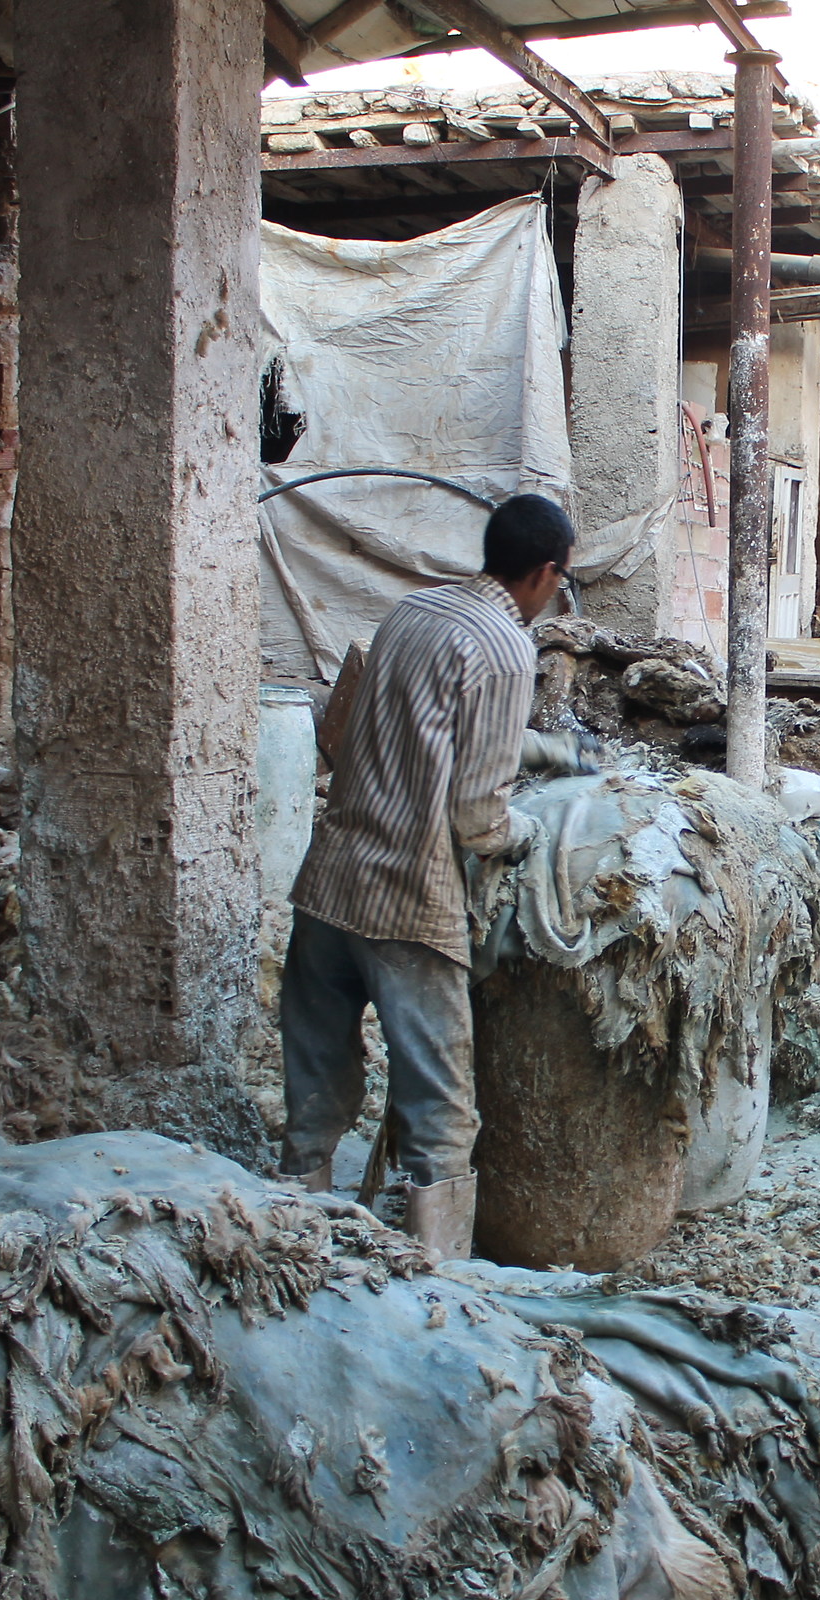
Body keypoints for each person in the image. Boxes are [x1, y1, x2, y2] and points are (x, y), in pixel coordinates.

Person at [277, 493, 575, 1261]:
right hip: (408, 900)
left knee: (316, 1075)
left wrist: (538, 750)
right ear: (545, 574)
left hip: (331, 879)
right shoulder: (509, 650)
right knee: (440, 1113)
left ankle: (289, 1232)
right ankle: (438, 1281)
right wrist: (529, 831)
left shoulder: (412, 610)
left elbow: (405, 727)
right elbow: (477, 818)